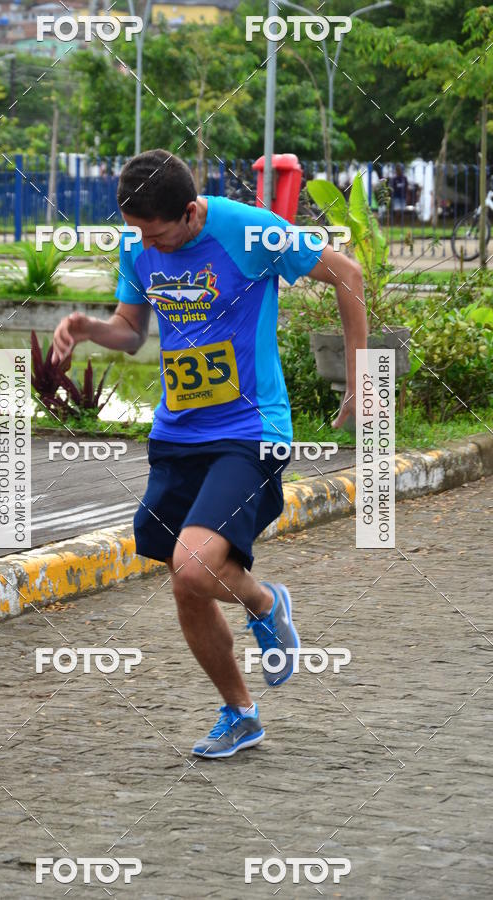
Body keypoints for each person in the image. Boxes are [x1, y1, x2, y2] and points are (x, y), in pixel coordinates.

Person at [52, 149, 367, 759]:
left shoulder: (248, 231)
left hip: (250, 431)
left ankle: (264, 602)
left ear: (193, 211)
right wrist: (91, 328)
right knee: (185, 583)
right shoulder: (139, 242)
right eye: (139, 233)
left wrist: (358, 376)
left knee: (194, 565)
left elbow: (349, 275)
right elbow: (132, 330)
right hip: (178, 434)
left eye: (160, 234)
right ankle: (240, 713)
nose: (150, 246)